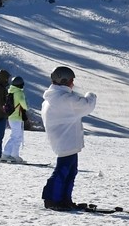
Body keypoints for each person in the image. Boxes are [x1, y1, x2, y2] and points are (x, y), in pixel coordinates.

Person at [40, 67, 98, 210]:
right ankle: (52, 199)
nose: (73, 84)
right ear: (64, 81)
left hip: (64, 140)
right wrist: (91, 94)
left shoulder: (52, 98)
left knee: (70, 171)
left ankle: (64, 199)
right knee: (63, 171)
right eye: (71, 80)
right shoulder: (64, 99)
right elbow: (86, 105)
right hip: (66, 140)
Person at [1, 76, 28, 163]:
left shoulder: (11, 91)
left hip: (12, 117)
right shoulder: (19, 93)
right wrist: (26, 107)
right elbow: (24, 105)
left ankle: (14, 155)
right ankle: (6, 154)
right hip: (17, 118)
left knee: (17, 136)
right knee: (15, 136)